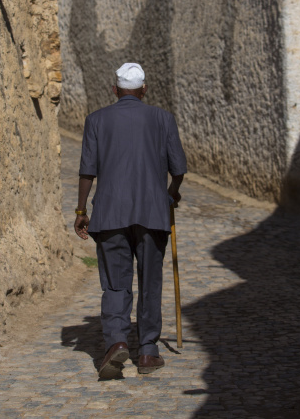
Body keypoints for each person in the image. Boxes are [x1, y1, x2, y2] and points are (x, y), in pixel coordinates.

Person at [74, 62, 187, 378]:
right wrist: (171, 194)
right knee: (150, 281)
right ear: (144, 89)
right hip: (152, 212)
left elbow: (87, 170)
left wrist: (81, 211)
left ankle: (118, 340)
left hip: (110, 213)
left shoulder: (96, 120)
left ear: (115, 90)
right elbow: (178, 169)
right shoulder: (163, 119)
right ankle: (148, 352)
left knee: (115, 282)